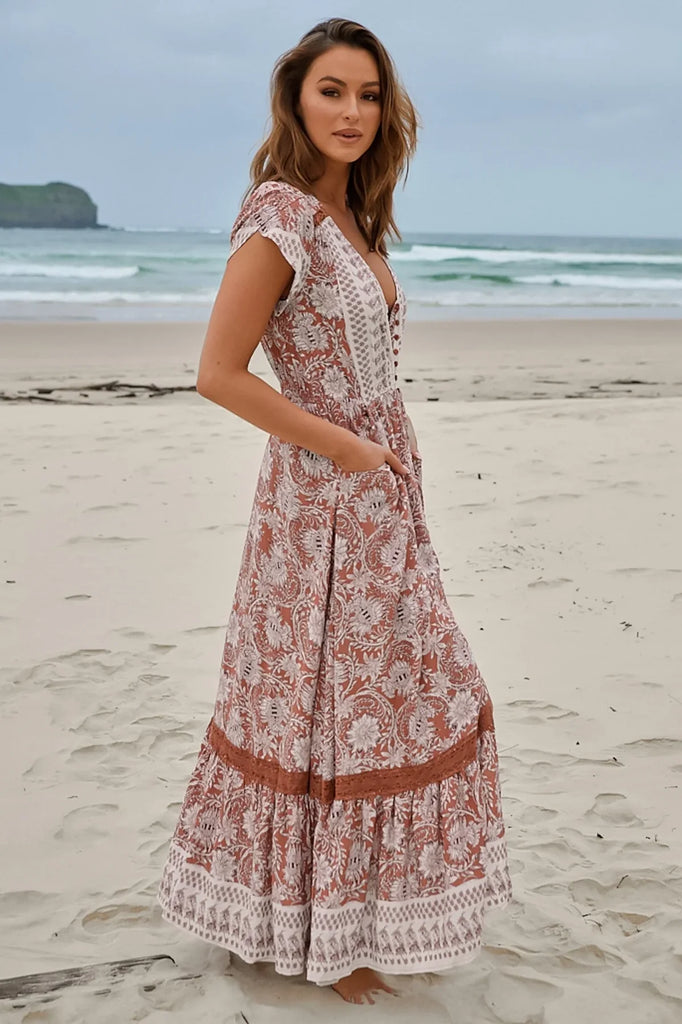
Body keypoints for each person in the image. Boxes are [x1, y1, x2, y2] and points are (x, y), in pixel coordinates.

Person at [157, 16, 513, 1006]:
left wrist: (380, 461)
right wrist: (349, 449)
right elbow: (218, 373)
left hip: (379, 492)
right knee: (332, 707)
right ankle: (328, 940)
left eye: (367, 94)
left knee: (395, 695)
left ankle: (345, 921)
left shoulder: (351, 210)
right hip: (322, 500)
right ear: (294, 100)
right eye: (331, 91)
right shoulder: (281, 216)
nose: (351, 112)